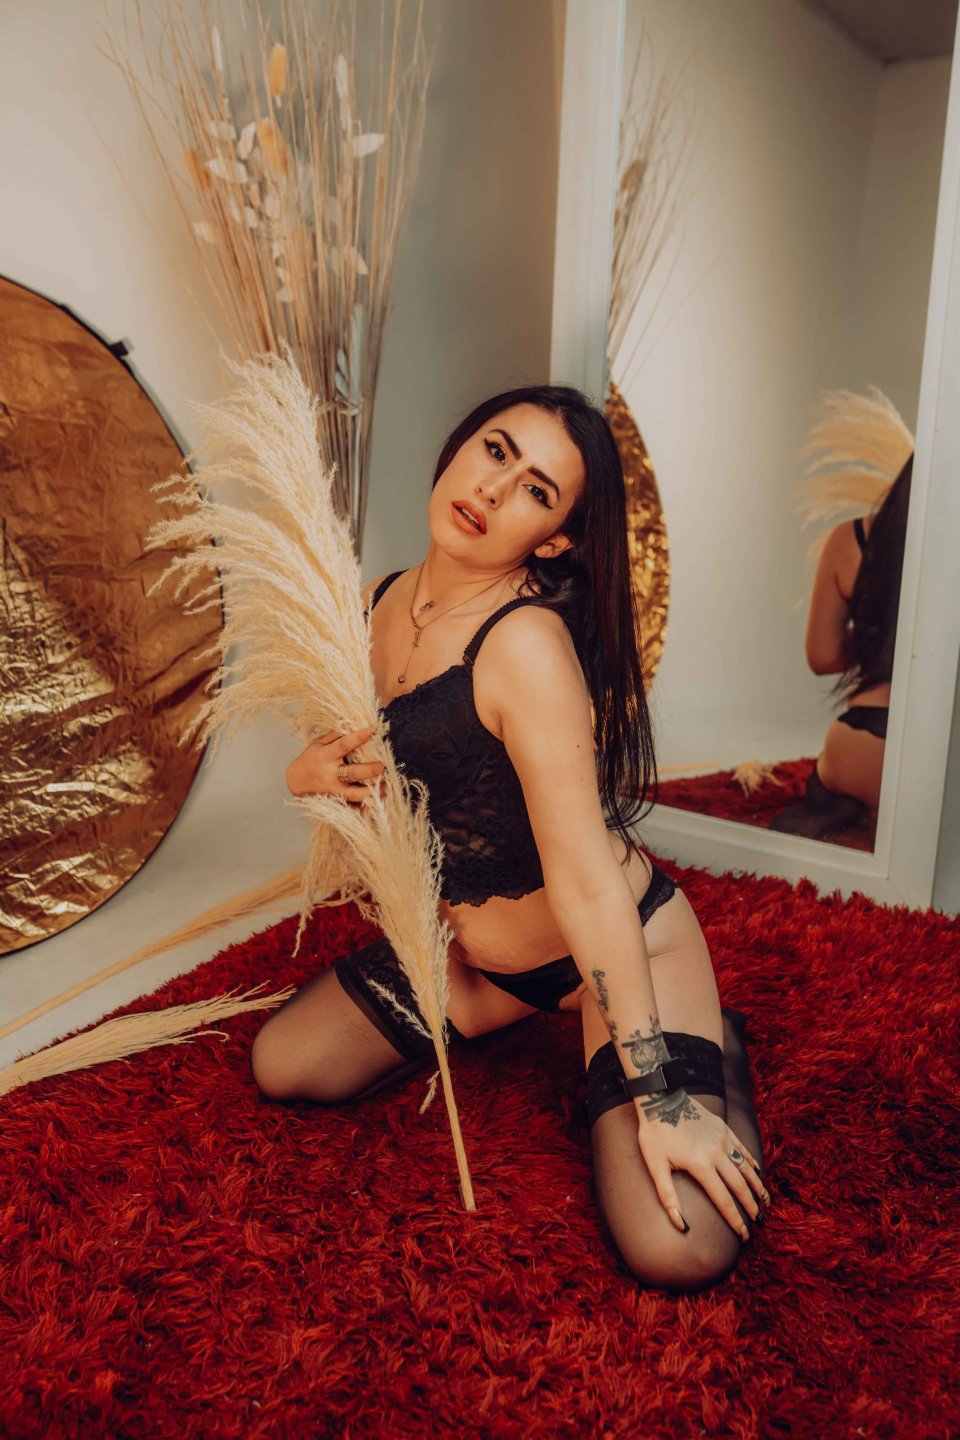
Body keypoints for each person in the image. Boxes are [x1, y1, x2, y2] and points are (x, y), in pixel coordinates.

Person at [249, 383, 769, 1292]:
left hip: (615, 947)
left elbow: (588, 887)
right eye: (496, 450)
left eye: (536, 490)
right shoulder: (374, 603)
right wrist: (304, 776)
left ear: (554, 538)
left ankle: (708, 1042)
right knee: (284, 1064)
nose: (493, 489)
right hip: (480, 965)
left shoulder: (524, 646)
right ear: (460, 446)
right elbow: (360, 773)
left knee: (677, 1247)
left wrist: (661, 1099)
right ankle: (535, 1022)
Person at [771, 456, 912, 840]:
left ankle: (845, 802)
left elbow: (824, 655)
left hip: (857, 745)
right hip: (935, 759)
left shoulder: (853, 539)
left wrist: (876, 638)